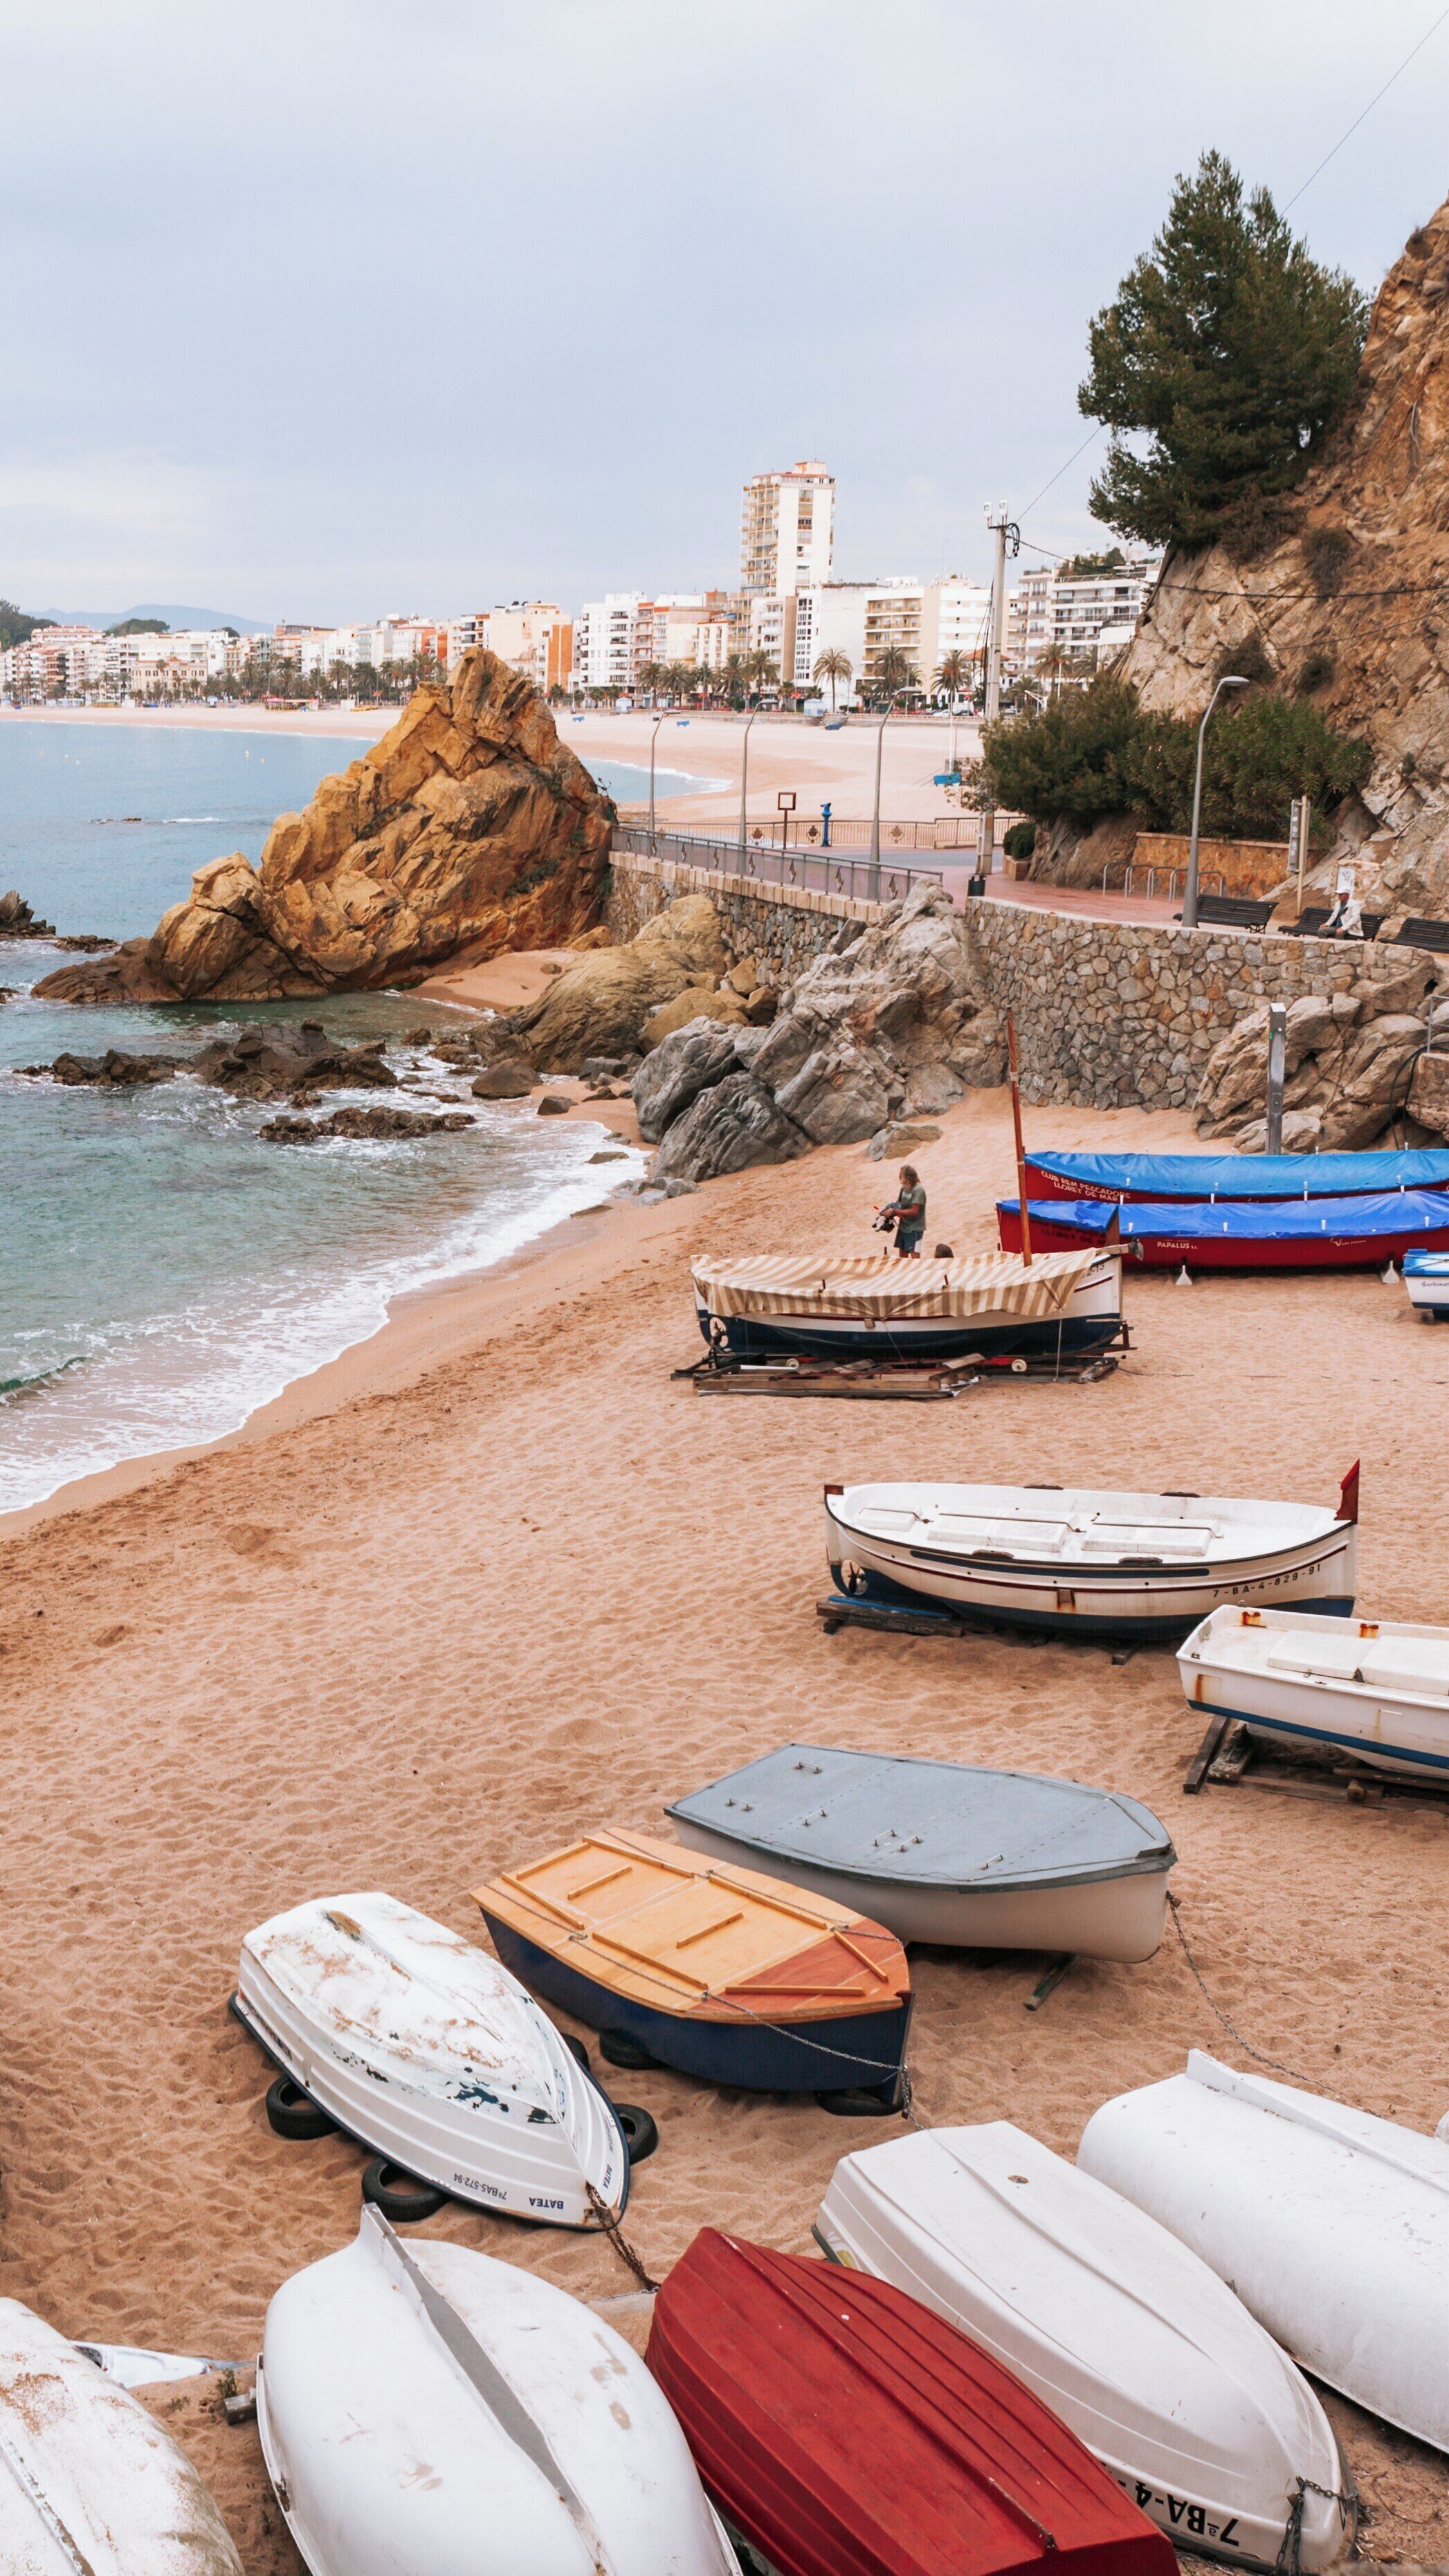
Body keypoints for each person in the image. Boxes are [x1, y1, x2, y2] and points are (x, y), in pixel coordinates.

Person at [877, 1164, 927, 1257]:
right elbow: (899, 1204)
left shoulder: (918, 1190)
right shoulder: (904, 1188)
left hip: (915, 1229)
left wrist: (895, 1211)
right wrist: (889, 1211)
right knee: (902, 1258)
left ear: (907, 1176)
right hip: (904, 1226)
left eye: (901, 1175)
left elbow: (915, 1211)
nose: (899, 1177)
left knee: (915, 1257)